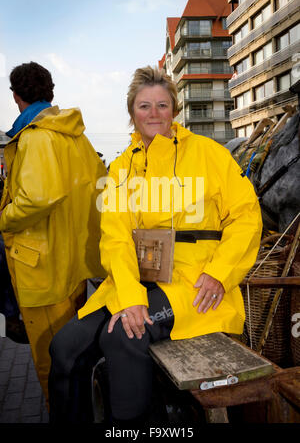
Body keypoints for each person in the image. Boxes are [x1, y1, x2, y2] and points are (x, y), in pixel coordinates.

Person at [48, 66, 262, 424]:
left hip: (194, 282)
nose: (154, 114)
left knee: (122, 338)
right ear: (132, 111)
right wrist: (130, 297)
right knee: (64, 347)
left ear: (175, 110)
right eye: (145, 106)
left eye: (162, 105)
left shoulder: (209, 154)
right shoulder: (120, 169)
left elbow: (246, 216)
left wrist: (219, 273)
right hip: (137, 276)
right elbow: (115, 236)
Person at [0, 61, 107, 405]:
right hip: (73, 267)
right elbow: (101, 192)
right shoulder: (78, 139)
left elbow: (38, 197)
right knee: (71, 357)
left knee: (50, 365)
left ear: (15, 95)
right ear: (50, 93)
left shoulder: (34, 137)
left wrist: (3, 219)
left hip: (42, 272)